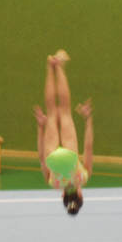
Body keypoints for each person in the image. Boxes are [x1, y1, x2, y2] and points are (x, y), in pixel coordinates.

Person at [33, 50, 93, 216]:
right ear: (62, 196)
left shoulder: (83, 178)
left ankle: (58, 66)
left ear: (80, 195)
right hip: (52, 157)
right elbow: (41, 157)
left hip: (70, 156)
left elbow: (88, 147)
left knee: (65, 110)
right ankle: (50, 66)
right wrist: (40, 127)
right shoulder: (53, 183)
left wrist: (88, 120)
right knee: (52, 111)